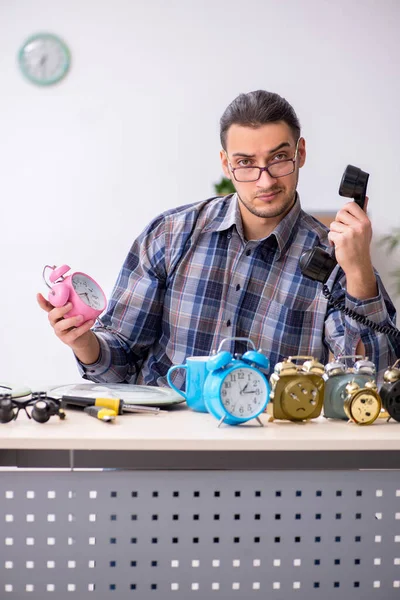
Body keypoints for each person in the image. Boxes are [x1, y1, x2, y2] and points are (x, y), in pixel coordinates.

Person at [38, 90, 399, 387]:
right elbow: (120, 366)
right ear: (226, 165)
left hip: (271, 456)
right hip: (162, 448)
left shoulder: (335, 257)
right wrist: (83, 342)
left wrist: (359, 272)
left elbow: (375, 381)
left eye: (279, 158)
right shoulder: (170, 234)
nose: (265, 180)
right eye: (246, 163)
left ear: (300, 153)